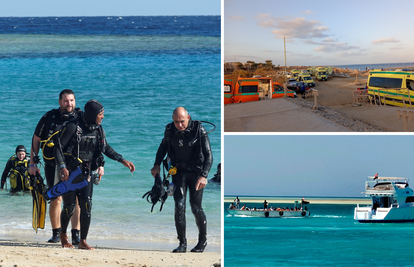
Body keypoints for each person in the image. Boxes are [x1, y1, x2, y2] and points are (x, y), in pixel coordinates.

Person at [54, 99, 135, 250]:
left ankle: (83, 241)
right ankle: (63, 236)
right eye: (100, 114)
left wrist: (122, 159)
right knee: (69, 207)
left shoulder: (98, 129)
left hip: (86, 173)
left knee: (87, 206)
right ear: (92, 114)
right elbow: (58, 148)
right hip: (70, 173)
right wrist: (62, 167)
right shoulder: (73, 127)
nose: (102, 117)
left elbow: (105, 148)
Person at [151, 107, 213, 253]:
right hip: (178, 172)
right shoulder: (169, 130)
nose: (179, 125)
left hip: (196, 173)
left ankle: (202, 242)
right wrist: (156, 165)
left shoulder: (199, 130)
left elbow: (208, 155)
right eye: (176, 122)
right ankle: (182, 244)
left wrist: (204, 175)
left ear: (189, 117)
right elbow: (162, 148)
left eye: (182, 121)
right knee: (179, 205)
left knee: (195, 207)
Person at [29, 89, 82, 244]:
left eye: (71, 100)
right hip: (52, 164)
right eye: (66, 101)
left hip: (74, 165)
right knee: (56, 198)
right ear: (59, 102)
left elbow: (93, 139)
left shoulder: (81, 117)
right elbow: (36, 139)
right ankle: (56, 233)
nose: (69, 104)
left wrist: (99, 165)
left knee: (77, 200)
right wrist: (32, 162)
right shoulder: (49, 117)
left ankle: (76, 234)